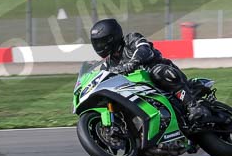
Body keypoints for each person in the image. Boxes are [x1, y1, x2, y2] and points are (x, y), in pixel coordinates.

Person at [89, 18, 220, 125]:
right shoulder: (108, 64)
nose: (99, 46)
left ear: (112, 38)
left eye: (101, 42)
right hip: (141, 91)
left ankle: (193, 106)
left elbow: (144, 49)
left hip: (164, 77)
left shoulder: (131, 39)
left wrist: (133, 62)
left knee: (158, 72)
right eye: (96, 43)